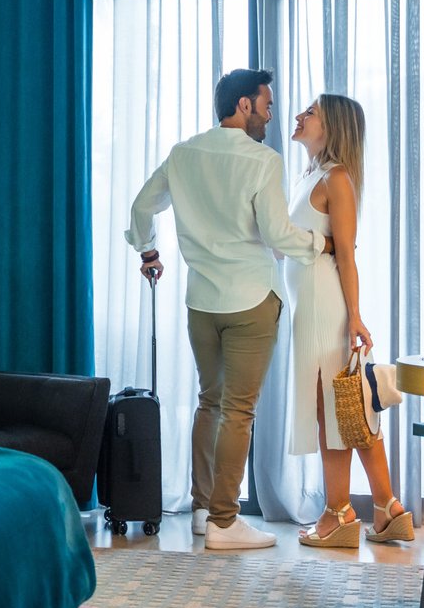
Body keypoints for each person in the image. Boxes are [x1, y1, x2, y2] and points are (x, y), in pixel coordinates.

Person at [126, 69, 331, 550]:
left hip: (201, 302)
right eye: (267, 105)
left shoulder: (183, 154)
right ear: (244, 105)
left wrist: (149, 252)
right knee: (238, 411)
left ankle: (203, 511)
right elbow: (277, 235)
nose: (271, 115)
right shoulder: (263, 160)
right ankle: (225, 521)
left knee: (210, 402)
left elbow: (141, 208)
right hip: (251, 299)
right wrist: (322, 244)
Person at [285, 94, 413, 548]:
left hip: (324, 304)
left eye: (311, 112)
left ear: (332, 126)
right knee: (346, 406)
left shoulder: (336, 178)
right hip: (309, 303)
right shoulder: (310, 176)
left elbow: (346, 254)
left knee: (334, 409)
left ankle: (338, 513)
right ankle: (387, 508)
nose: (299, 116)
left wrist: (355, 316)